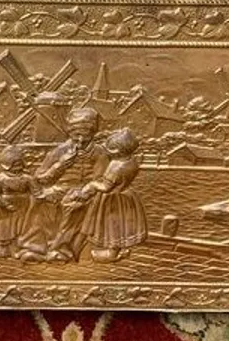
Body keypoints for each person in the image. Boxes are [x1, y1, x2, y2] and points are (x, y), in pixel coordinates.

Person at [17, 105, 106, 262]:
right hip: (60, 188)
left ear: (93, 133)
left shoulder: (99, 153)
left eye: (85, 135)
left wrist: (84, 192)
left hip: (85, 192)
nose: (80, 140)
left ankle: (61, 251)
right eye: (76, 135)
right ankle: (35, 247)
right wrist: (60, 165)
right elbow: (40, 178)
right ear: (70, 132)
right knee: (40, 201)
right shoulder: (60, 151)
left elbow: (100, 180)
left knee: (71, 206)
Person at [73, 127, 148, 261]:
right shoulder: (133, 162)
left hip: (112, 199)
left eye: (110, 148)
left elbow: (105, 187)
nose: (107, 150)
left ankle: (110, 254)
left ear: (118, 150)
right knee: (121, 225)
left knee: (111, 225)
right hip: (127, 196)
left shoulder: (115, 165)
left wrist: (91, 185)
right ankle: (119, 250)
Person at [0, 145, 36, 258]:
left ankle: (16, 246)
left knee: (20, 226)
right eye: (14, 165)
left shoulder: (27, 178)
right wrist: (6, 204)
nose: (18, 167)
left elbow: (36, 191)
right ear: (6, 165)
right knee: (5, 227)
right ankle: (3, 246)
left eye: (19, 164)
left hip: (23, 206)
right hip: (6, 208)